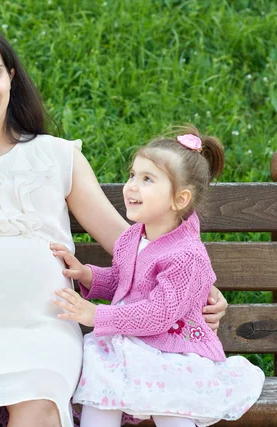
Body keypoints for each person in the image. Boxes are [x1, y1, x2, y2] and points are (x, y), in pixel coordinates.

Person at [0, 24, 228, 427]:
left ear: (12, 78)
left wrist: (197, 286)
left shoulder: (55, 156)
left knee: (38, 412)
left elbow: (129, 241)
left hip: (43, 325)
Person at [51, 127, 264, 426]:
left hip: (173, 351)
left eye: (147, 179)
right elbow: (124, 281)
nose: (132, 186)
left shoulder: (186, 254)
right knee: (100, 397)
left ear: (179, 199)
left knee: (172, 409)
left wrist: (97, 315)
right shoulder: (132, 238)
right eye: (132, 175)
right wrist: (88, 275)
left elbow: (159, 313)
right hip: (130, 345)